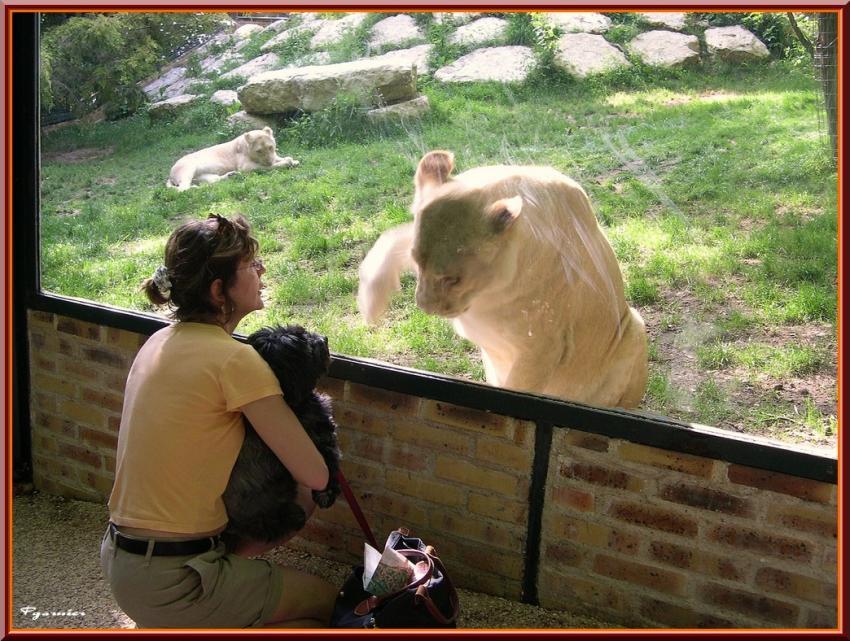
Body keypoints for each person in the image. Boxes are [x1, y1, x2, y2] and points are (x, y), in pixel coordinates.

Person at [100, 213, 338, 628]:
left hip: (122, 562)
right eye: (250, 265)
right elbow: (317, 476)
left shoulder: (158, 340)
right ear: (217, 290)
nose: (262, 271)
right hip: (177, 581)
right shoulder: (234, 359)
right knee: (326, 605)